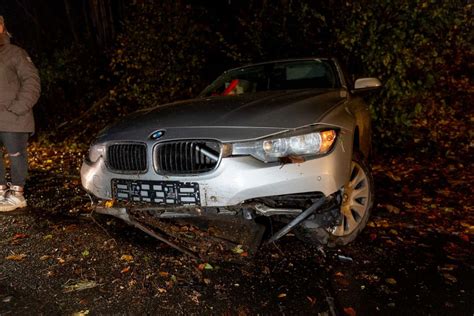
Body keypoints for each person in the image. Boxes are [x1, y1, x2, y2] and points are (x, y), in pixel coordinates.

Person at [0, 16, 41, 212]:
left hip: (14, 118)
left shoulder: (15, 53)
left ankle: (17, 195)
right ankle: (1, 191)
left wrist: (17, 108)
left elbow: (32, 82)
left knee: (16, 155)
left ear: (1, 27)